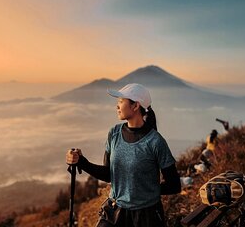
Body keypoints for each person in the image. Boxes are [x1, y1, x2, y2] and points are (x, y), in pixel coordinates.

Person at [66, 83, 181, 227]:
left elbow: (174, 185)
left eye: (121, 101)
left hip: (146, 216)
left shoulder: (155, 142)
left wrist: (144, 190)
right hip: (114, 211)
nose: (117, 106)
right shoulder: (114, 133)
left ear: (135, 106)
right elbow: (109, 174)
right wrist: (81, 161)